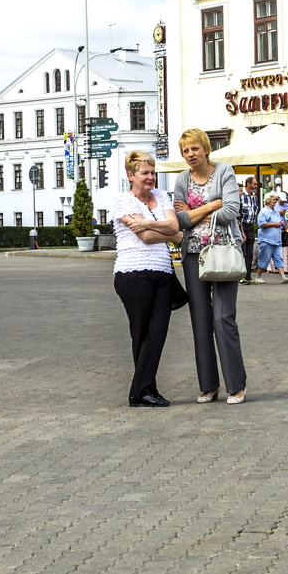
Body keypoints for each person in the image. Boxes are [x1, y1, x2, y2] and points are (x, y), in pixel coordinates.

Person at [173, 128, 247, 405]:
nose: (190, 155)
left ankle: (236, 385)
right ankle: (209, 386)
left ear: (205, 148)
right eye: (185, 151)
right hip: (193, 256)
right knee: (200, 321)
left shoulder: (224, 172)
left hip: (223, 251)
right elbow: (179, 219)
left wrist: (194, 210)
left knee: (223, 318)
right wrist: (211, 205)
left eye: (194, 149)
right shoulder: (181, 178)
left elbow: (231, 211)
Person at [112, 151, 183, 407]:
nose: (151, 177)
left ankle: (142, 391)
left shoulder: (162, 196)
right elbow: (146, 238)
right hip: (133, 274)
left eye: (153, 173)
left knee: (158, 333)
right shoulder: (123, 201)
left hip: (163, 273)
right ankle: (145, 391)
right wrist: (166, 231)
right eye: (145, 173)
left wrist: (150, 225)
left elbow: (174, 227)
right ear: (131, 176)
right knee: (142, 334)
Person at [256, 193, 288, 283]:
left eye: (276, 200)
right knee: (264, 258)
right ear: (268, 200)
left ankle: (283, 277)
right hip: (266, 239)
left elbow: (277, 221)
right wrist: (276, 224)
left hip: (276, 239)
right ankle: (258, 276)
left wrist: (281, 223)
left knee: (278, 257)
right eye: (274, 200)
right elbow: (261, 224)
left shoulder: (275, 211)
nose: (275, 202)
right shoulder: (264, 211)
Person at [239, 176, 259, 284]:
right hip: (243, 226)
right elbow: (239, 215)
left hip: (251, 225)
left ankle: (248, 276)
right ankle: (241, 276)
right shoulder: (241, 197)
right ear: (248, 184)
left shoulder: (254, 198)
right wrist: (242, 231)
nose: (256, 186)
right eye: (254, 184)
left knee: (250, 253)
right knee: (243, 252)